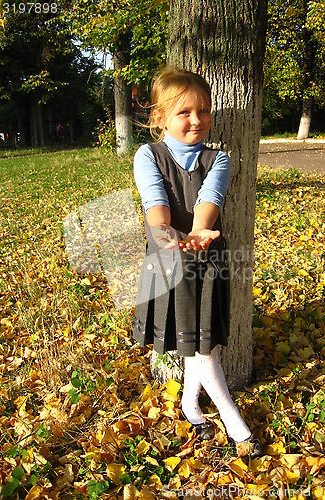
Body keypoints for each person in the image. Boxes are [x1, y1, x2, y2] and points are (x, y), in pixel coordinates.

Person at [133, 68, 262, 459]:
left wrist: (199, 234)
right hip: (169, 261)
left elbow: (210, 200)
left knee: (202, 342)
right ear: (160, 118)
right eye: (184, 112)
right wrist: (172, 238)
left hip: (207, 259)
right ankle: (235, 424)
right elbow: (156, 207)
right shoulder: (147, 155)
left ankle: (191, 406)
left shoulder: (218, 157)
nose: (196, 120)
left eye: (203, 111)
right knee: (202, 350)